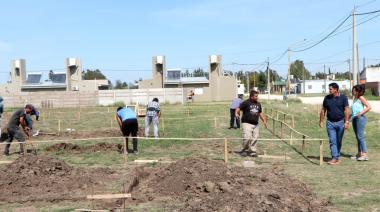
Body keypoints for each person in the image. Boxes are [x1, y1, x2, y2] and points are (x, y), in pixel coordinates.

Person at [319, 82, 349, 165]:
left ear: (336, 89)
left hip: (340, 123)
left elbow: (346, 110)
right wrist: (321, 120)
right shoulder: (327, 98)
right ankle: (334, 158)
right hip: (330, 123)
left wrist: (346, 121)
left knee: (338, 141)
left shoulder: (343, 98)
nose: (329, 90)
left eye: (330, 89)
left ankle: (337, 156)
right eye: (329, 89)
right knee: (332, 141)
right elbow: (323, 110)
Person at [235, 90, 268, 157]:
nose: (257, 97)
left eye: (257, 96)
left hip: (255, 124)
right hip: (246, 123)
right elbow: (238, 108)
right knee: (247, 137)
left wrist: (264, 120)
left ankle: (252, 151)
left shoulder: (258, 104)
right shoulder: (246, 103)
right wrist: (236, 113)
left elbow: (260, 113)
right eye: (256, 96)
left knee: (255, 137)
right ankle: (244, 150)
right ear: (251, 96)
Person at [351, 84, 371, 161]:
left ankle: (365, 154)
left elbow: (369, 107)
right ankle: (359, 154)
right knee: (357, 137)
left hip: (360, 119)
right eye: (353, 89)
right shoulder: (355, 98)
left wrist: (361, 113)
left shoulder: (361, 98)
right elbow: (354, 109)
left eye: (354, 90)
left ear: (358, 91)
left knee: (360, 136)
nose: (353, 91)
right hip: (354, 118)